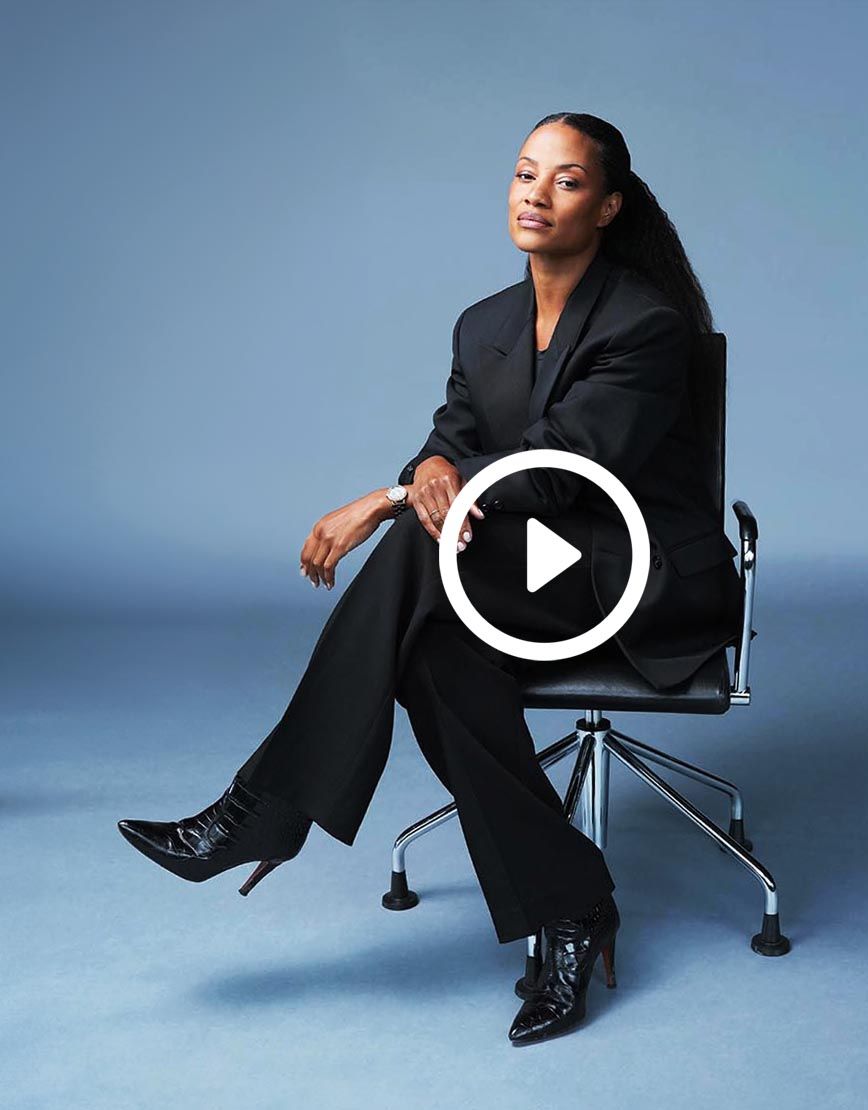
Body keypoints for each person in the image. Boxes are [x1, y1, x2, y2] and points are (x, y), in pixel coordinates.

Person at [117, 111, 743, 1047]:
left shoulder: (644, 325)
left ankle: (263, 809)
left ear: (608, 205)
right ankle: (570, 908)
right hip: (521, 571)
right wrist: (422, 476)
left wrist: (387, 498)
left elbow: (557, 470)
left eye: (565, 181)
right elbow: (450, 444)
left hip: (629, 568)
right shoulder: (483, 322)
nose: (535, 193)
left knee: (413, 544)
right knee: (430, 655)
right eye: (524, 173)